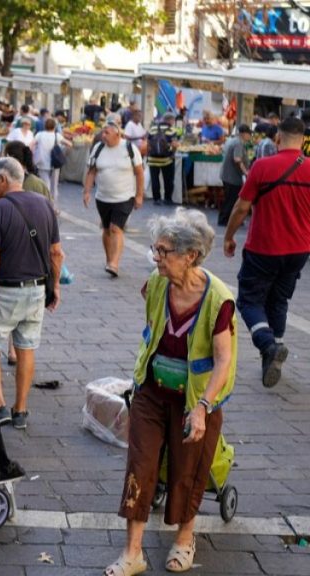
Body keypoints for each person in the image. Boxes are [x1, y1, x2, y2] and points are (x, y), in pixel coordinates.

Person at [105, 208, 235, 576]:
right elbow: (152, 327)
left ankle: (184, 538)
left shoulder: (218, 299)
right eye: (155, 249)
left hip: (195, 400)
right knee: (140, 465)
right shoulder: (157, 282)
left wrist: (203, 407)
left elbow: (223, 360)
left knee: (187, 470)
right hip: (152, 391)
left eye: (163, 251)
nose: (156, 257)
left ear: (190, 255)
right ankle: (133, 552)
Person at [0, 158, 62, 429]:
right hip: (36, 289)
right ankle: (21, 409)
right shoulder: (45, 204)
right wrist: (54, 286)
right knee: (26, 348)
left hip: (4, 291)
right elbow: (56, 252)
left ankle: (0, 406)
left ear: (2, 179)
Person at [223, 116, 310, 388]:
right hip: (299, 249)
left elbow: (241, 207)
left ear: (277, 138)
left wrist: (228, 236)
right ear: (304, 140)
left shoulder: (263, 166)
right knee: (279, 300)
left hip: (264, 247)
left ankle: (268, 345)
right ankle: (272, 355)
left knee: (249, 301)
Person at [83, 113, 144, 277]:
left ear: (117, 134)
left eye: (106, 133)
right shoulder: (98, 148)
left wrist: (139, 196)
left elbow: (139, 173)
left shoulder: (129, 148)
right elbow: (91, 172)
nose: (103, 136)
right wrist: (87, 191)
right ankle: (109, 259)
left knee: (116, 228)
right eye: (103, 133)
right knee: (106, 229)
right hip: (102, 197)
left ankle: (114, 263)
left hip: (124, 197)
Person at [217, 124, 252, 227]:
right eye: (249, 134)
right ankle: (224, 220)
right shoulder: (238, 143)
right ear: (244, 134)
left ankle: (227, 219)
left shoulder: (231, 140)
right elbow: (237, 159)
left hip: (227, 175)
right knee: (232, 200)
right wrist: (246, 172)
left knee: (229, 198)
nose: (249, 137)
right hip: (232, 177)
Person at [147, 113, 181, 205]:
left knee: (155, 179)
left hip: (152, 159)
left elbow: (148, 143)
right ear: (170, 120)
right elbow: (174, 144)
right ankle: (167, 199)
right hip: (166, 159)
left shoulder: (152, 128)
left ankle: (156, 199)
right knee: (168, 179)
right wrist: (173, 152)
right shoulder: (172, 130)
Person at [33, 118, 67, 206]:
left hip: (42, 162)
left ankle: (45, 203)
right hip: (55, 164)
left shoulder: (39, 135)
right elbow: (69, 144)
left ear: (45, 126)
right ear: (54, 126)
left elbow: (31, 144)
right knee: (54, 186)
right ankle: (53, 206)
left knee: (45, 184)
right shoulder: (57, 135)